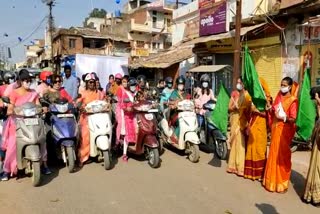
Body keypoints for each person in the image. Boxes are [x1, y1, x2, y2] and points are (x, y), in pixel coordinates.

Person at [0, 69, 50, 181]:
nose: (27, 82)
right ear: (20, 81)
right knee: (13, 145)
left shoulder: (34, 93)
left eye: (29, 80)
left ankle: (44, 165)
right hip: (17, 121)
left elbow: (37, 105)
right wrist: (12, 110)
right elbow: (10, 108)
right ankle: (7, 170)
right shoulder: (14, 93)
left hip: (32, 120)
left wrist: (42, 109)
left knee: (41, 139)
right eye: (25, 80)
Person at [262, 77, 298, 193]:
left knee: (282, 157)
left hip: (284, 131)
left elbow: (293, 119)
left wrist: (284, 117)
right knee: (273, 154)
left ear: (290, 86)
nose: (282, 87)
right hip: (275, 129)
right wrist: (269, 109)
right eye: (281, 84)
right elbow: (274, 109)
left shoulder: (292, 100)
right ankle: (270, 181)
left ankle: (281, 183)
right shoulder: (278, 95)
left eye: (285, 85)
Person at [243, 78, 271, 181]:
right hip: (253, 125)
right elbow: (248, 112)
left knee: (260, 148)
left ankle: (260, 173)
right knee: (251, 146)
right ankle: (251, 172)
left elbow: (268, 114)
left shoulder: (267, 99)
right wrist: (251, 109)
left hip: (262, 126)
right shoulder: (253, 98)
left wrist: (257, 111)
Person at [77, 73, 105, 166]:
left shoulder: (99, 93)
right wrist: (80, 107)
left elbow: (105, 102)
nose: (91, 84)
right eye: (89, 82)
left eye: (93, 82)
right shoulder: (82, 93)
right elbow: (77, 102)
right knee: (86, 136)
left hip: (99, 117)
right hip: (86, 118)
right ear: (86, 83)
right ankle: (83, 157)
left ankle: (99, 153)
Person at [226, 78, 247, 176]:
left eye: (240, 83)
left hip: (242, 121)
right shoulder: (234, 93)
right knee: (234, 142)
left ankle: (240, 167)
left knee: (241, 143)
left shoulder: (246, 95)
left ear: (244, 84)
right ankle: (232, 165)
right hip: (234, 119)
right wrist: (234, 107)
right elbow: (229, 108)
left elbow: (249, 109)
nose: (238, 84)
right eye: (237, 82)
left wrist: (242, 109)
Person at [303, 93, 320, 206]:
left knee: (317, 167)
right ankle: (311, 194)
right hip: (317, 141)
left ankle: (316, 196)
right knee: (315, 166)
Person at [117, 77, 137, 162]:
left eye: (134, 85)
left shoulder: (136, 94)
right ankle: (124, 154)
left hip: (135, 116)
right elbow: (123, 106)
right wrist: (127, 109)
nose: (133, 87)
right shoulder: (126, 94)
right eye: (131, 85)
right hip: (127, 117)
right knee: (127, 135)